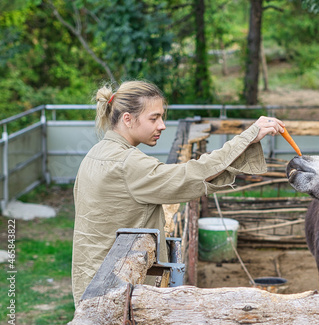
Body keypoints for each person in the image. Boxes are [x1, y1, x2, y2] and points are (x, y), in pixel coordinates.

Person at [72, 80, 285, 306]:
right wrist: (247, 137)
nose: (162, 125)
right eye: (154, 118)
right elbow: (190, 175)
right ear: (128, 119)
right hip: (117, 290)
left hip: (92, 283)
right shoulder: (128, 163)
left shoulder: (95, 153)